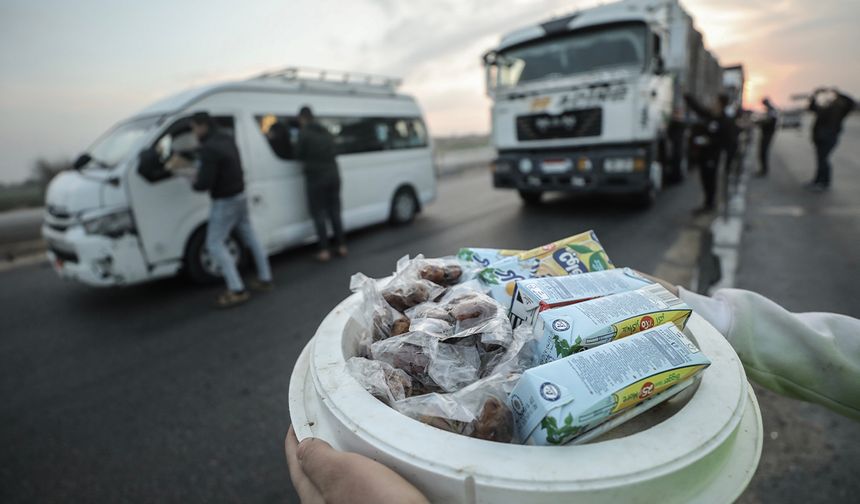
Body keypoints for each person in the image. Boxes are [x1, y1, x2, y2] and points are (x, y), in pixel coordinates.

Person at [184, 112, 273, 308]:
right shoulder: (226, 137)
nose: (194, 132)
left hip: (224, 200)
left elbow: (203, 184)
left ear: (202, 126)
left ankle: (237, 289)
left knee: (214, 243)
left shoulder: (209, 148)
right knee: (250, 236)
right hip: (240, 194)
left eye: (194, 128)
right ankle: (265, 277)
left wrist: (190, 179)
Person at [296, 106, 347, 262]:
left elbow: (298, 155)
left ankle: (324, 250)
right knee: (335, 212)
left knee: (318, 213)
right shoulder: (326, 132)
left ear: (303, 118)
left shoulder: (304, 134)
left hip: (316, 178)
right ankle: (341, 246)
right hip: (333, 175)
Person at [684, 93, 734, 214]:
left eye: (716, 102)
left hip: (713, 156)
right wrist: (687, 95)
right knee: (704, 178)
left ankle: (710, 204)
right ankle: (707, 203)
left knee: (710, 180)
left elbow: (726, 140)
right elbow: (698, 108)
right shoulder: (710, 115)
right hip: (703, 154)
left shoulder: (724, 120)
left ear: (721, 105)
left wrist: (709, 141)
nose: (713, 104)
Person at [807, 87, 856, 191]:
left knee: (823, 160)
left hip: (829, 138)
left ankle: (824, 183)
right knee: (820, 160)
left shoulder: (842, 111)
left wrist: (839, 93)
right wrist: (814, 95)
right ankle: (818, 180)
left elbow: (852, 102)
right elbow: (812, 108)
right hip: (819, 137)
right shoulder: (825, 109)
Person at [756, 98, 778, 176]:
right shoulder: (770, 110)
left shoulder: (772, 111)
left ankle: (764, 170)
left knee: (763, 152)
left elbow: (768, 121)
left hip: (767, 135)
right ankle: (763, 169)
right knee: (762, 152)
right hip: (766, 134)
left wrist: (758, 122)